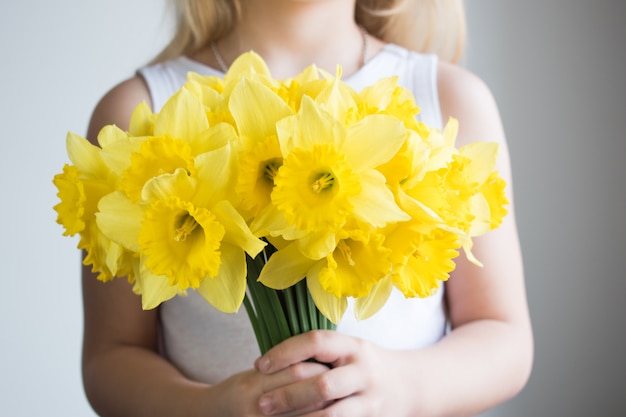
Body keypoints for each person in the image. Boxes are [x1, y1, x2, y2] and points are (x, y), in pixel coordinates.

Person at [81, 0, 533, 415]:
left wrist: (401, 387)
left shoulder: (446, 98)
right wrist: (209, 408)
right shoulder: (140, 114)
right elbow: (111, 358)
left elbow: (504, 338)